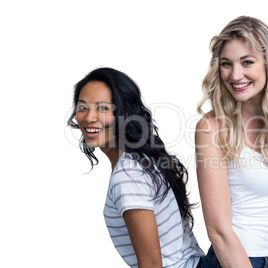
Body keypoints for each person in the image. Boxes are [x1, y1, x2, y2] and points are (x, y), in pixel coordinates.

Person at [195, 16, 268, 268]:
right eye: (227, 64)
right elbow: (218, 231)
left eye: (247, 62)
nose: (235, 75)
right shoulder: (212, 128)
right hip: (235, 261)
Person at [67, 67, 204, 268]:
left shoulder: (127, 175)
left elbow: (151, 264)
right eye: (82, 107)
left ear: (124, 113)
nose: (89, 118)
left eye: (103, 108)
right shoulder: (140, 158)